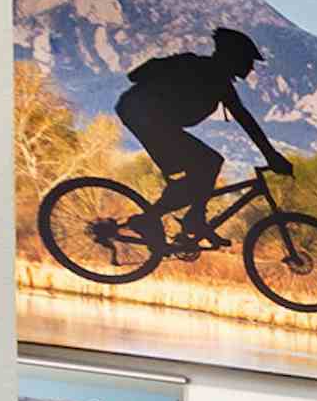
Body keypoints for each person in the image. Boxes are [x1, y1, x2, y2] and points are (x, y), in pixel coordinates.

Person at [115, 27, 292, 249]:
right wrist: (272, 156)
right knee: (208, 162)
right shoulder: (195, 67)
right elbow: (136, 75)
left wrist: (271, 155)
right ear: (233, 57)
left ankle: (175, 218)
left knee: (200, 171)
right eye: (248, 60)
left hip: (151, 119)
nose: (250, 67)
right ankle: (187, 220)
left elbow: (246, 120)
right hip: (142, 115)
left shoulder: (218, 82)